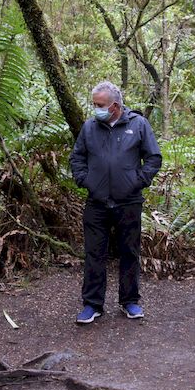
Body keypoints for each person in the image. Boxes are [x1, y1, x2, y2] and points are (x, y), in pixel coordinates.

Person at [69, 81, 163, 324]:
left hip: (128, 201)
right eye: (94, 104)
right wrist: (84, 180)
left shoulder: (138, 124)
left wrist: (138, 181)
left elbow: (153, 157)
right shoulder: (89, 127)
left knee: (129, 252)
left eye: (99, 105)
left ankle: (130, 301)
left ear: (115, 106)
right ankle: (92, 305)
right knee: (94, 254)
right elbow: (77, 156)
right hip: (97, 202)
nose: (95, 109)